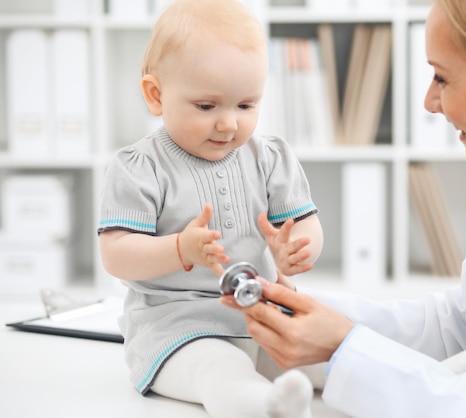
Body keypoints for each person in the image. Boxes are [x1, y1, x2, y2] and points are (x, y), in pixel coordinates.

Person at [222, 0, 466, 416]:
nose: (430, 103)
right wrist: (308, 310)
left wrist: (343, 346)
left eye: (442, 78)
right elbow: (460, 325)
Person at [97, 0, 325, 417]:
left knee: (328, 351)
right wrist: (180, 248)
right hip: (177, 330)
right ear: (156, 95)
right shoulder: (140, 167)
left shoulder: (269, 156)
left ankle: (429, 380)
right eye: (207, 106)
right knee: (222, 369)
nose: (228, 123)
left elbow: (305, 222)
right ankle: (264, 408)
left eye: (246, 105)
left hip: (260, 312)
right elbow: (116, 255)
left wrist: (297, 246)